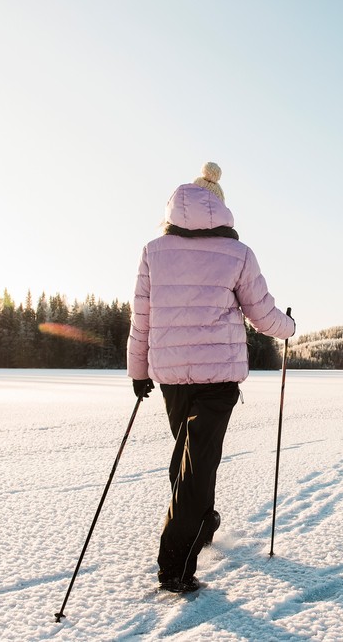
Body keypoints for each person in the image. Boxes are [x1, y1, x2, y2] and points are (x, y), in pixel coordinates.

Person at [127, 162, 295, 594]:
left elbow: (141, 319)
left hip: (171, 376)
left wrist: (138, 371)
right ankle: (176, 564)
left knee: (190, 456)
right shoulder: (238, 253)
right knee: (197, 461)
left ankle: (201, 523)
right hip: (218, 377)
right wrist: (289, 328)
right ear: (220, 208)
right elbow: (263, 314)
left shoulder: (154, 251)